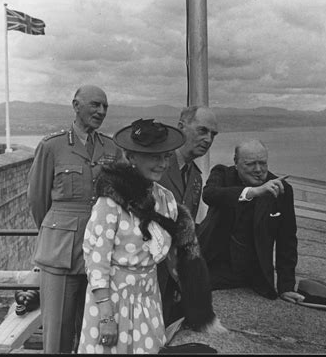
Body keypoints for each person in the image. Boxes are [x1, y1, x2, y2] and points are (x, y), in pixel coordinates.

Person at [78, 119, 224, 354]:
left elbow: (174, 253)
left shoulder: (165, 200)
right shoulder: (110, 201)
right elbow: (96, 259)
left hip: (148, 296)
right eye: (155, 156)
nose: (163, 164)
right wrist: (105, 317)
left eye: (166, 156)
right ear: (132, 157)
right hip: (112, 299)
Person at [27, 85, 122, 353]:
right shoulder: (52, 146)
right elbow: (37, 200)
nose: (101, 111)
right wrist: (56, 232)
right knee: (57, 334)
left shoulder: (110, 147)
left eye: (105, 106)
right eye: (94, 105)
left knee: (93, 335)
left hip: (101, 254)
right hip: (60, 253)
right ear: (76, 105)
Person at [197, 139, 304, 303]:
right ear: (236, 163)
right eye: (250, 164)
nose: (259, 170)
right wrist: (253, 192)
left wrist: (286, 287)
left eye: (263, 163)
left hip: (252, 274)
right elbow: (210, 195)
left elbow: (287, 241)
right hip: (212, 264)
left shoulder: (282, 189)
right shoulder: (222, 174)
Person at [157, 106, 219, 326]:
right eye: (202, 130)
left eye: (213, 134)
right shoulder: (156, 165)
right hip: (144, 271)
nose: (208, 139)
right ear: (181, 127)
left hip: (171, 277)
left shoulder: (195, 178)